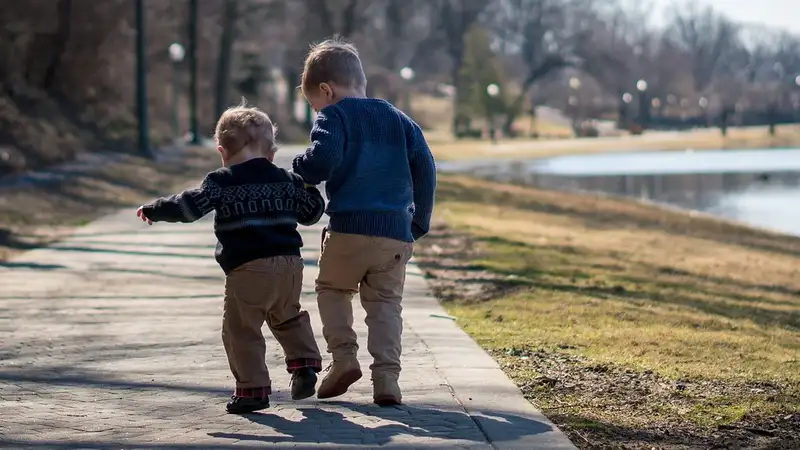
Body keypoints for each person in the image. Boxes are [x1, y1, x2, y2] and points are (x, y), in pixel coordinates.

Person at [136, 104, 325, 414]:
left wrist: (155, 210)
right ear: (271, 153)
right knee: (288, 316)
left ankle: (252, 390)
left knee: (241, 329)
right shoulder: (286, 179)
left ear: (222, 152)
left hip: (248, 268)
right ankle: (304, 365)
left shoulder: (221, 181)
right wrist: (309, 187)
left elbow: (189, 207)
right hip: (290, 266)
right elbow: (311, 213)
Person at [292, 38, 437, 406]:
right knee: (386, 305)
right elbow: (426, 168)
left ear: (327, 90)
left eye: (314, 104)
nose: (317, 110)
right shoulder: (400, 120)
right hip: (395, 233)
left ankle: (343, 358)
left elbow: (323, 159)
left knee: (332, 289)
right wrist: (419, 221)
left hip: (349, 229)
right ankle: (387, 379)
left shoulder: (335, 116)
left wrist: (301, 169)